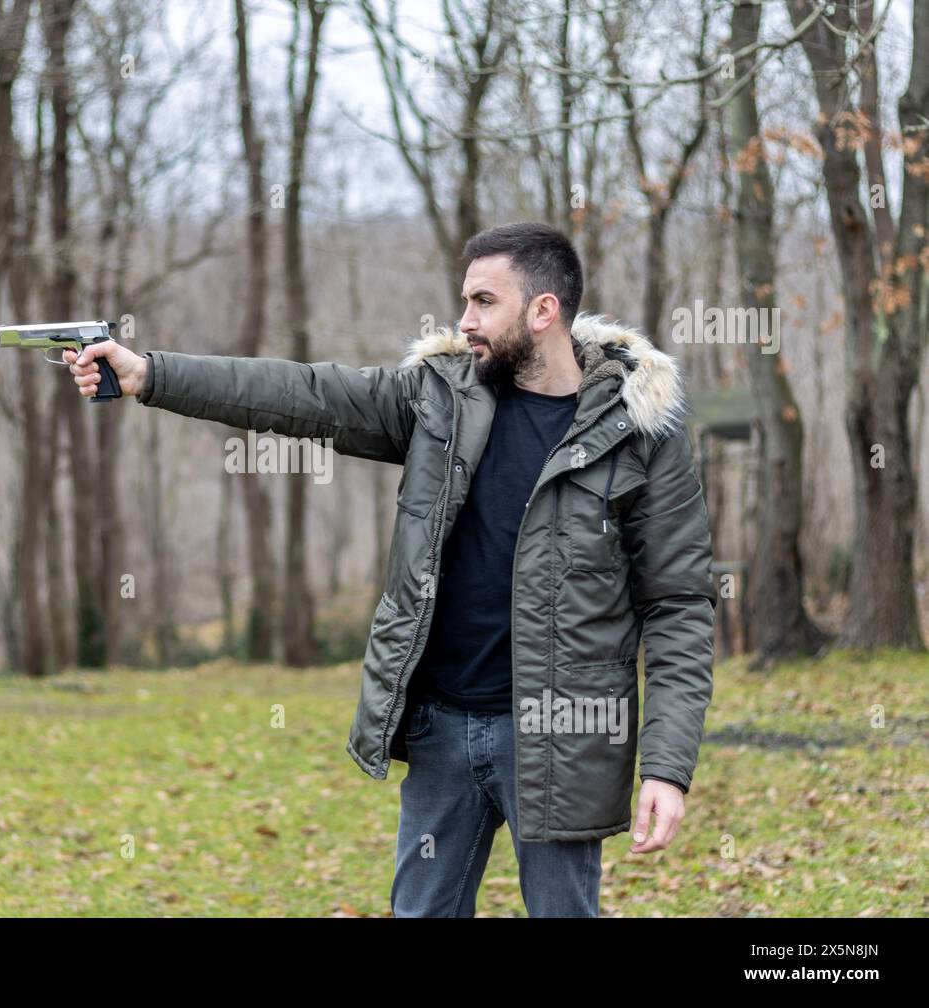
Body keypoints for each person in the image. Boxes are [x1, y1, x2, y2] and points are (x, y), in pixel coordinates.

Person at [64, 222, 716, 918]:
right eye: (464, 300)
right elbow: (302, 395)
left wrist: (667, 769)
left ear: (543, 310)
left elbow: (679, 605)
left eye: (483, 302)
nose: (464, 321)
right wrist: (150, 374)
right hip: (441, 733)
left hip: (560, 740)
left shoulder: (636, 434)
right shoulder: (435, 401)